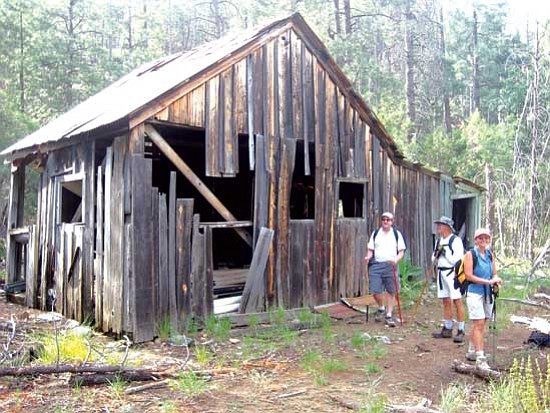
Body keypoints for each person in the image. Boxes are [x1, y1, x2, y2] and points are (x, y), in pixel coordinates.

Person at [464, 228, 502, 370]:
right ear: (476, 240)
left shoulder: (489, 255)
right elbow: (469, 276)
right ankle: (480, 358)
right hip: (474, 292)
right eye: (481, 238)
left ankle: (472, 350)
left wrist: (496, 279)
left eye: (486, 238)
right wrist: (488, 282)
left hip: (488, 293)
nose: (484, 240)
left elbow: (494, 273)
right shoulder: (470, 254)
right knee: (479, 323)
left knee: (481, 323)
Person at [364, 212, 406, 327]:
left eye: (388, 220)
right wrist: (368, 256)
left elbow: (401, 251)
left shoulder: (396, 234)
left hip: (390, 265)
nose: (385, 221)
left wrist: (396, 260)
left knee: (391, 290)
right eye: (384, 219)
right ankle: (381, 307)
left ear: (392, 222)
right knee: (375, 290)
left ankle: (389, 314)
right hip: (376, 264)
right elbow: (370, 249)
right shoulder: (376, 233)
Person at [432, 216, 466, 342]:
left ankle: (461, 330)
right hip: (441, 273)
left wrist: (445, 253)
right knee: (446, 301)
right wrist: (437, 254)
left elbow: (457, 260)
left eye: (441, 225)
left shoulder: (455, 241)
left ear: (447, 227)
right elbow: (433, 259)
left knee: (457, 300)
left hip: (452, 274)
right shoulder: (438, 241)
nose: (438, 227)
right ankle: (447, 328)